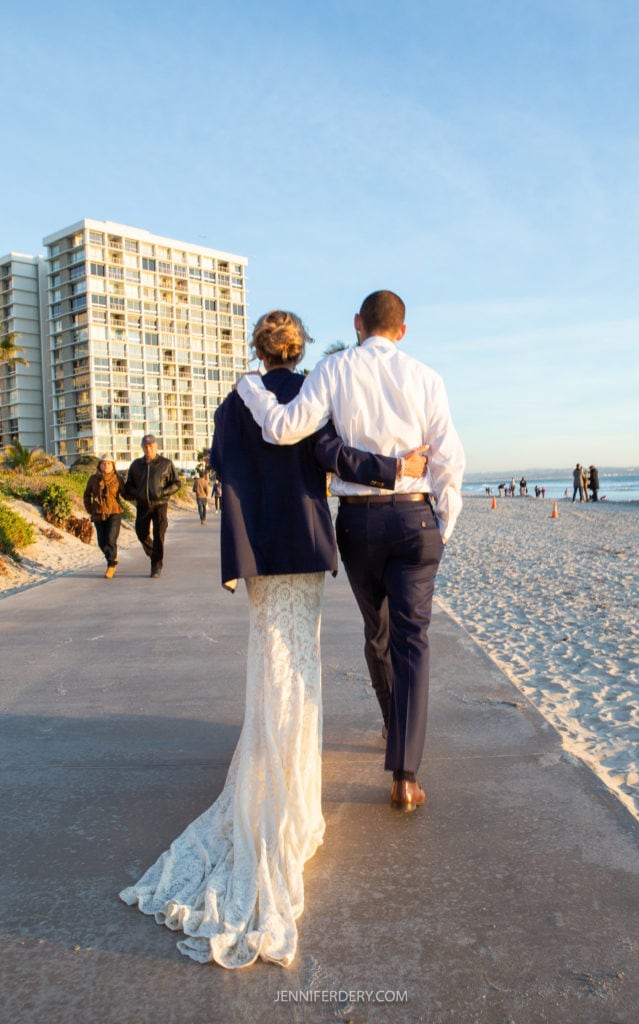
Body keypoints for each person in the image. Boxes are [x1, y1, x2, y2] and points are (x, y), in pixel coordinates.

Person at [119, 309, 426, 969]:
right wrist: (395, 470)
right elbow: (327, 454)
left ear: (258, 351)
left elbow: (222, 464)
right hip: (306, 546)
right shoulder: (310, 392)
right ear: (298, 349)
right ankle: (292, 787)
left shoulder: (236, 403)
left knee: (268, 663)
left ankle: (268, 769)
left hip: (257, 552)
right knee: (301, 664)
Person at [237, 290, 465, 813]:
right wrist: (442, 526)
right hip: (415, 517)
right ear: (402, 331)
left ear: (359, 323)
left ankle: (392, 721)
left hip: (360, 523)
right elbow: (450, 459)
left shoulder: (334, 369)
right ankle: (405, 774)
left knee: (378, 633)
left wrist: (250, 389)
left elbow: (283, 429)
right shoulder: (427, 378)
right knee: (415, 641)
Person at [124, 434, 181, 577]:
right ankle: (155, 555)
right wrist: (136, 493)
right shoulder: (136, 465)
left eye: (151, 445)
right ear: (142, 447)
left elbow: (177, 483)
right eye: (145, 445)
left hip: (160, 504)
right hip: (143, 504)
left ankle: (156, 566)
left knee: (159, 534)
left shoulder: (166, 464)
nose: (148, 448)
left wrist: (163, 492)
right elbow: (129, 484)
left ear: (156, 446)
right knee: (141, 533)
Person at [83, 453, 126, 578]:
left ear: (113, 466)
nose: (106, 465)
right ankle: (112, 557)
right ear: (99, 465)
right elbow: (87, 495)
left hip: (114, 512)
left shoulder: (118, 479)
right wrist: (90, 509)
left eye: (108, 463)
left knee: (111, 539)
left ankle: (111, 565)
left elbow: (125, 493)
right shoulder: (93, 479)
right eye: (103, 463)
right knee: (102, 543)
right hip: (98, 513)